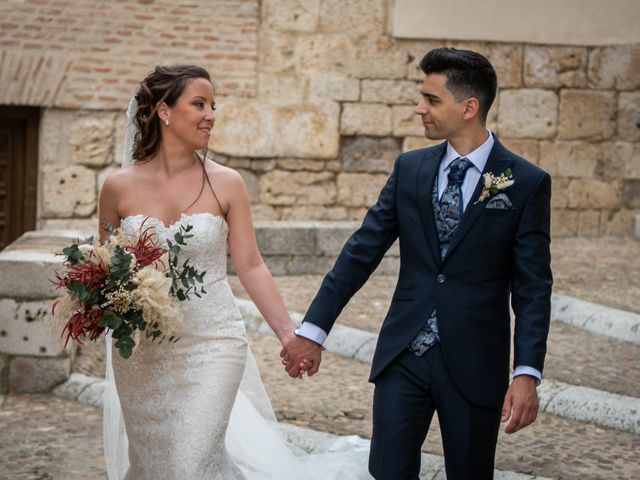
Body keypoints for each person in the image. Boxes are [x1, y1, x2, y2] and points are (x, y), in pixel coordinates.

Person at [282, 47, 553, 479]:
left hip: (474, 361)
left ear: (469, 107)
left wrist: (526, 372)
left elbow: (533, 287)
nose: (419, 108)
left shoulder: (525, 182)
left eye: (431, 99)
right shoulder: (410, 169)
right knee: (388, 472)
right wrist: (313, 330)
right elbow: (361, 250)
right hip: (403, 354)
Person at [99, 65, 367, 480]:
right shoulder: (118, 187)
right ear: (164, 112)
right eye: (199, 104)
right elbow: (106, 269)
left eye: (213, 106)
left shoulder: (227, 184)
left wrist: (287, 334)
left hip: (213, 342)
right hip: (143, 352)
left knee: (191, 462)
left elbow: (251, 264)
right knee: (155, 464)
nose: (211, 115)